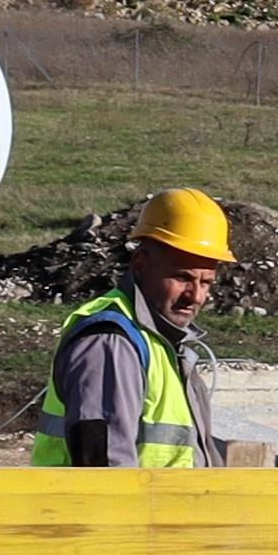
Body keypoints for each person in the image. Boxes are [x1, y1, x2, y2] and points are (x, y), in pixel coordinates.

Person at [29, 187, 235, 464]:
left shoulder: (161, 340)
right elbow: (105, 472)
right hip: (121, 508)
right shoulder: (110, 343)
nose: (195, 296)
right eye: (182, 277)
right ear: (140, 265)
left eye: (206, 282)